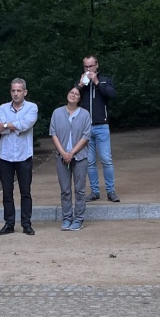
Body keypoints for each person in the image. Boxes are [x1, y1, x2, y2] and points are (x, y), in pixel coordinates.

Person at [0, 77, 38, 234]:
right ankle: (9, 224)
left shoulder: (32, 107)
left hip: (24, 155)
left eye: (19, 90)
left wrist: (7, 125)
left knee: (25, 192)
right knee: (7, 192)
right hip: (6, 156)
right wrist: (13, 126)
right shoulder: (3, 108)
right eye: (13, 90)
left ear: (25, 92)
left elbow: (25, 125)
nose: (16, 93)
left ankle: (26, 224)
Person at [49, 86, 92, 230]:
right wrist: (63, 153)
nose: (73, 95)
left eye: (76, 94)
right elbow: (53, 133)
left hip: (80, 156)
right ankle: (67, 218)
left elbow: (86, 136)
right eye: (71, 92)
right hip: (61, 156)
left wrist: (72, 153)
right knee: (65, 190)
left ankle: (78, 219)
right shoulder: (57, 112)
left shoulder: (85, 114)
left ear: (80, 98)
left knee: (80, 190)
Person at [78, 54, 118, 201]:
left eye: (91, 66)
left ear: (97, 65)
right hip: (85, 128)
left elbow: (112, 95)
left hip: (102, 126)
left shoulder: (105, 80)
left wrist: (96, 82)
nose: (89, 69)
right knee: (89, 161)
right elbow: (72, 97)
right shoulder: (81, 82)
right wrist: (80, 85)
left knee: (106, 159)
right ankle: (94, 191)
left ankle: (111, 191)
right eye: (86, 66)